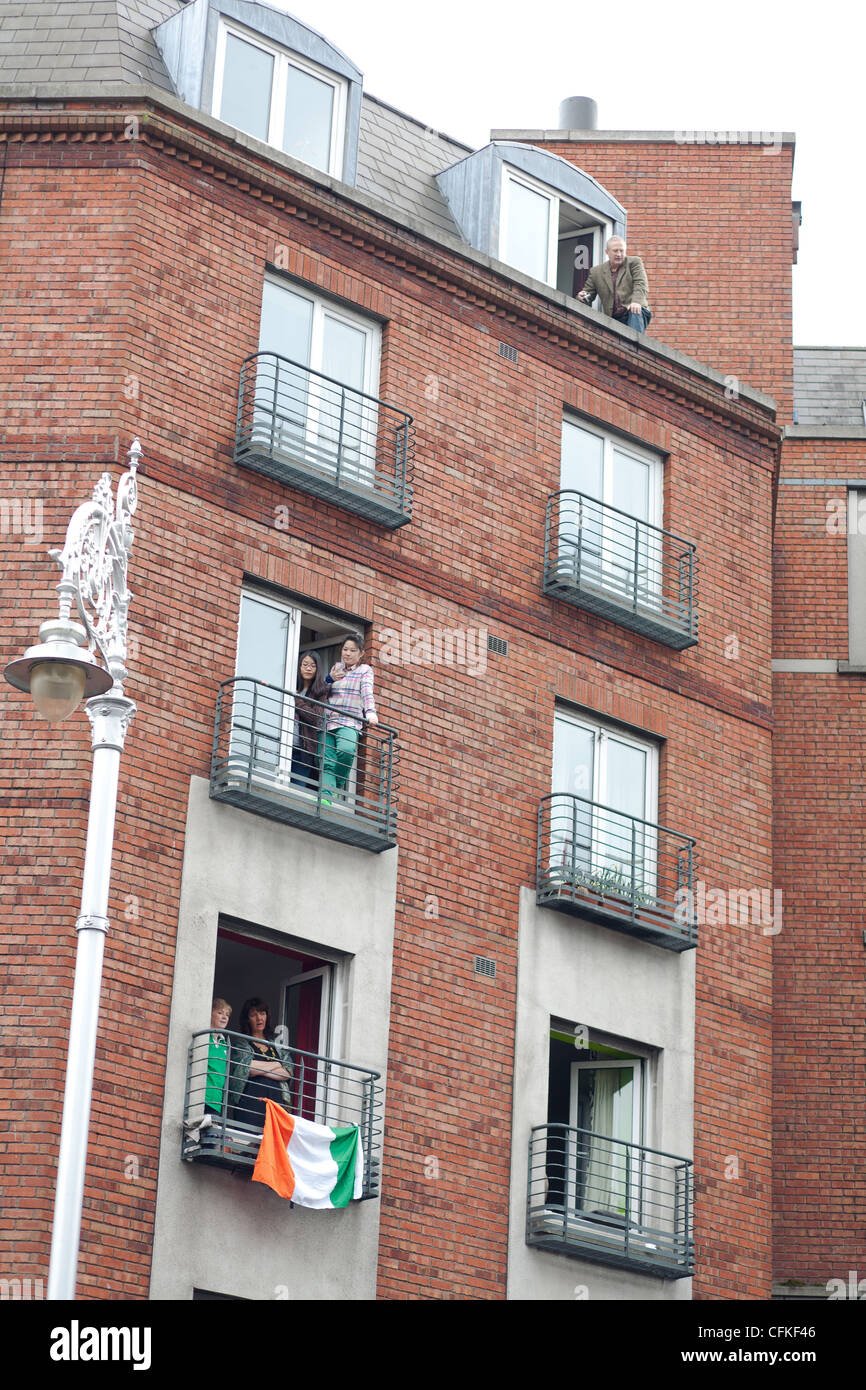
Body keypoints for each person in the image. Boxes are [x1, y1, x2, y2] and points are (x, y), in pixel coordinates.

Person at [321, 634, 378, 806]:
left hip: (349, 721)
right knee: (327, 762)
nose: (347, 653)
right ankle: (326, 797)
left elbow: (367, 692)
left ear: (361, 653)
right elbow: (321, 690)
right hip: (329, 720)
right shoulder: (337, 668)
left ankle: (336, 786)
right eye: (345, 649)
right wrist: (329, 679)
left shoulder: (365, 670)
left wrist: (370, 712)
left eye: (352, 650)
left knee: (346, 751)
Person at [229, 997, 293, 1128]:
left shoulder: (276, 1044)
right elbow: (246, 1069)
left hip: (276, 1105)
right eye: (254, 1015)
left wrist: (258, 1068)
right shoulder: (243, 1042)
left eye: (262, 1013)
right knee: (247, 1145)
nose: (259, 1018)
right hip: (250, 1104)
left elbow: (287, 1072)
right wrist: (276, 1065)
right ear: (247, 1019)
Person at [577, 237, 652, 334]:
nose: (619, 254)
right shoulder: (596, 272)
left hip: (634, 312)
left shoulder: (634, 262)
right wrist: (582, 296)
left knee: (635, 314)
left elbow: (641, 284)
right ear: (607, 252)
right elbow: (588, 293)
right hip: (613, 318)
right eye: (615, 251)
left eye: (622, 251)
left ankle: (635, 347)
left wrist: (636, 302)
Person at [290, 651, 329, 789]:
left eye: (312, 665)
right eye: (305, 664)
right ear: (299, 666)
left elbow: (314, 717)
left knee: (297, 790)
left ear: (317, 669)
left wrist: (296, 699)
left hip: (303, 750)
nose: (308, 668)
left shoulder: (320, 691)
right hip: (284, 745)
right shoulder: (290, 683)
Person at [204, 997, 232, 1116]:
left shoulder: (225, 1043)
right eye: (220, 1013)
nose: (224, 1017)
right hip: (202, 1098)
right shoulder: (204, 1037)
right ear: (210, 1014)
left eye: (227, 1014)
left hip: (217, 1100)